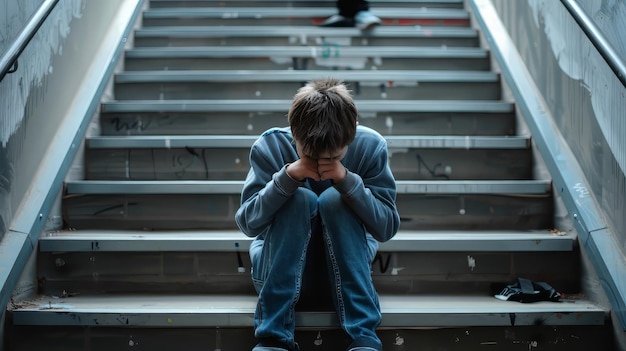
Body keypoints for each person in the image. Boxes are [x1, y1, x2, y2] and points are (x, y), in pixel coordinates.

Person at [235, 78, 400, 351]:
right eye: (310, 156)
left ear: (351, 137)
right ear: (294, 134)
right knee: (299, 198)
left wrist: (348, 182)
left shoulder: (371, 146)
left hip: (348, 274)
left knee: (335, 199)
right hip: (278, 272)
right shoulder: (271, 146)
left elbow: (387, 227)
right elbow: (247, 223)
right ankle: (273, 338)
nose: (322, 164)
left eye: (334, 156)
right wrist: (286, 179)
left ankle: (364, 338)